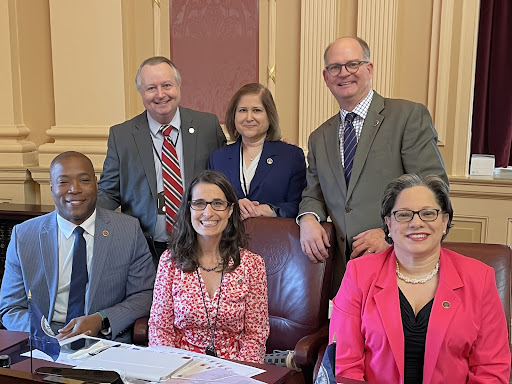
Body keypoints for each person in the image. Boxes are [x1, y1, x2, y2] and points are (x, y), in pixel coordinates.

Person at [298, 37, 448, 292]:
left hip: (400, 264)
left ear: (369, 69)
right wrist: (308, 219)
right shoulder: (319, 137)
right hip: (344, 274)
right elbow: (313, 194)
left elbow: (433, 190)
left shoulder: (407, 116)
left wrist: (390, 234)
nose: (344, 73)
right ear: (326, 77)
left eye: (353, 64)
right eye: (335, 67)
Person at [330, 174, 511, 383]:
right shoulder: (358, 275)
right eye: (404, 215)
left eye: (428, 213)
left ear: (445, 221)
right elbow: (344, 366)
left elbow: (491, 370)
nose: (416, 223)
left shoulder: (479, 279)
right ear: (388, 224)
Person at [0, 151, 155, 342]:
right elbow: (11, 307)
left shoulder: (127, 230)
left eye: (84, 180)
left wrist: (102, 319)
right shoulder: (23, 235)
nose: (74, 189)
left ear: (96, 185)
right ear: (51, 187)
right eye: (63, 182)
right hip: (42, 340)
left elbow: (144, 294)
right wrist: (43, 334)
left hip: (105, 339)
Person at [97, 56, 227, 263]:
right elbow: (109, 192)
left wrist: (270, 141)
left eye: (167, 85)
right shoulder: (122, 135)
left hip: (202, 244)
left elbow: (227, 175)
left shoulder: (207, 126)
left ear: (178, 86)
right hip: (145, 249)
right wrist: (79, 214)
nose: (160, 95)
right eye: (151, 88)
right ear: (141, 92)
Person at [148, 170, 269, 363]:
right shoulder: (170, 261)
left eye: (218, 204)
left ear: (230, 210)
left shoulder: (252, 264)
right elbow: (160, 329)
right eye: (199, 203)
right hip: (180, 368)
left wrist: (239, 377)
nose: (208, 212)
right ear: (189, 209)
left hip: (235, 369)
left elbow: (256, 335)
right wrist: (169, 372)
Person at [208, 83, 306, 219]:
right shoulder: (217, 158)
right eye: (242, 110)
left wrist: (270, 210)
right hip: (228, 238)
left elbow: (301, 205)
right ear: (234, 116)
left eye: (257, 110)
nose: (249, 117)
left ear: (269, 116)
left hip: (274, 237)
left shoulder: (291, 156)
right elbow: (209, 203)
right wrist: (231, 206)